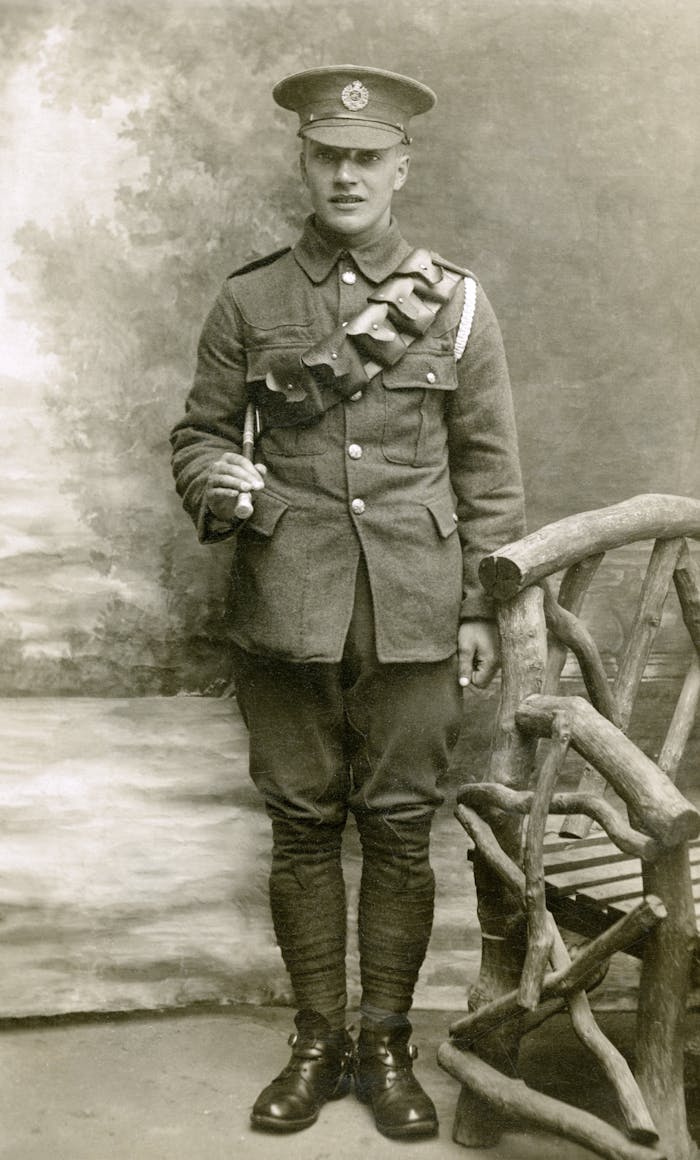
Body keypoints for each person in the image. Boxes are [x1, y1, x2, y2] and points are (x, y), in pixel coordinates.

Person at [170, 64, 525, 1141]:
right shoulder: (250, 297)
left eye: (368, 158)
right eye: (329, 156)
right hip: (285, 596)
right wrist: (218, 481)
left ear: (401, 168)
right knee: (301, 825)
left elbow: (490, 472)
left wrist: (478, 605)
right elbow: (198, 433)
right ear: (304, 162)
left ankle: (386, 1042)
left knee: (403, 831)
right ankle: (315, 1038)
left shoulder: (454, 303)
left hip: (417, 607)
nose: (347, 174)